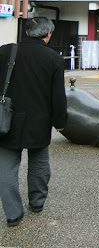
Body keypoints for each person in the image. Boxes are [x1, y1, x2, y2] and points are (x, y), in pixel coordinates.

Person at [0, 17, 68, 227]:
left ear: (27, 32)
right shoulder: (53, 58)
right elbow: (58, 94)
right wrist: (60, 121)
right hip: (39, 119)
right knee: (39, 164)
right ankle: (37, 203)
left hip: (7, 119)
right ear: (48, 34)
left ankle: (13, 214)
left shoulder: (5, 52)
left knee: (6, 169)